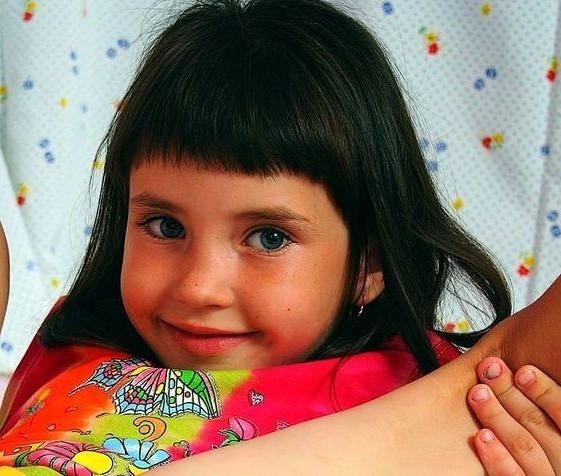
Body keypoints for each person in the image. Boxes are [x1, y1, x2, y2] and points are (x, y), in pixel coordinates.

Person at [0, 0, 559, 473]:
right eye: (165, 226)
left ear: (369, 265)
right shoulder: (78, 352)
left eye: (268, 238)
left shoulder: (446, 392)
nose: (199, 288)